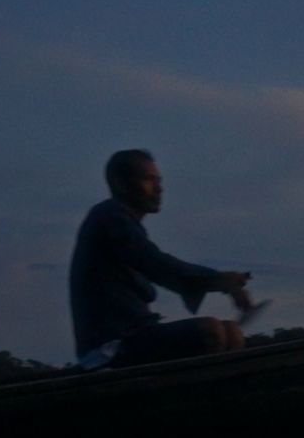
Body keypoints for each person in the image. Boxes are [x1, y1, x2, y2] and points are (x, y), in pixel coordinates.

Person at [68, 149, 255, 368]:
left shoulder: (122, 224)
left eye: (159, 181)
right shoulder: (109, 217)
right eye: (148, 179)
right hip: (109, 347)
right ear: (120, 183)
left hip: (135, 337)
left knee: (232, 333)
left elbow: (154, 263)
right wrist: (221, 281)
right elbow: (154, 262)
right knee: (211, 331)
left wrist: (221, 282)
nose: (159, 189)